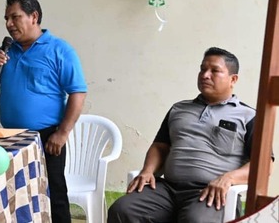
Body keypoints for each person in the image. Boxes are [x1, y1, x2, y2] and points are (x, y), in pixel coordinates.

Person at [108, 47, 261, 223]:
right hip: (167, 189)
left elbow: (263, 164)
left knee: (196, 220)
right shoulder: (179, 109)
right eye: (203, 69)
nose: (205, 75)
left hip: (209, 193)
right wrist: (148, 170)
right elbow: (161, 146)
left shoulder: (248, 116)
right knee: (122, 210)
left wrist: (229, 178)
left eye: (214, 71)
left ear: (233, 79)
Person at [0, 0, 87, 223]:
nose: (9, 24)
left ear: (34, 16)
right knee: (15, 193)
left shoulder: (60, 49)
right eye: (6, 18)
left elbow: (78, 92)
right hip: (12, 138)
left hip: (48, 137)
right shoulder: (7, 50)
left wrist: (63, 133)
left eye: (15, 17)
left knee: (54, 193)